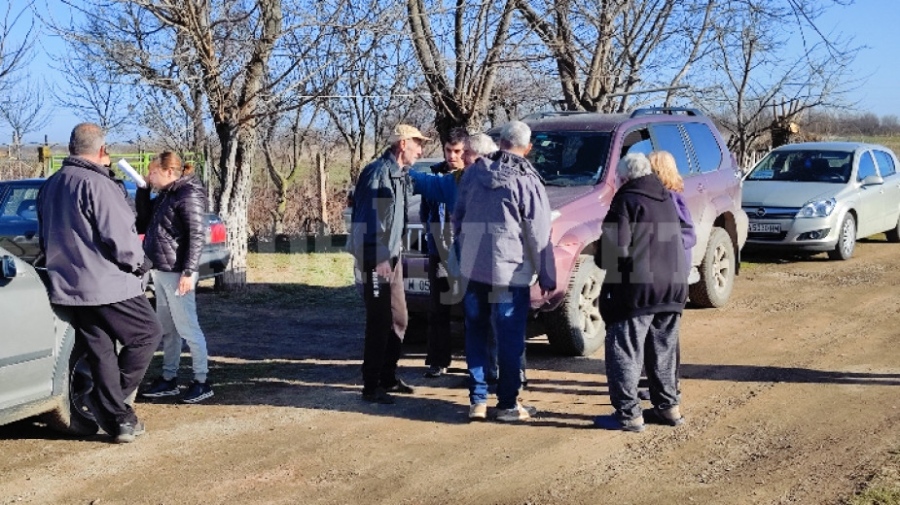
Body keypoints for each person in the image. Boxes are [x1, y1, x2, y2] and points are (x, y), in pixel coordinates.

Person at [36, 123, 162, 443]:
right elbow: (121, 237)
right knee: (147, 334)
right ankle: (108, 403)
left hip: (69, 284)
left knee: (102, 351)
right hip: (107, 283)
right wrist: (140, 263)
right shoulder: (97, 184)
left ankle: (119, 420)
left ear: (71, 147)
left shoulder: (51, 185)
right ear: (102, 151)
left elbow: (45, 236)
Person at [453, 120, 556, 422]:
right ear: (528, 147)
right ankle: (508, 404)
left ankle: (478, 400)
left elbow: (457, 218)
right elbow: (539, 233)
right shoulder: (527, 181)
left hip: (473, 268)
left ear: (500, 143)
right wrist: (546, 273)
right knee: (510, 337)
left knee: (476, 332)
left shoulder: (472, 172)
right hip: (510, 272)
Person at [593, 152, 689, 433]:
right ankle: (668, 408)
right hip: (673, 286)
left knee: (624, 349)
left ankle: (628, 415)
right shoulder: (666, 197)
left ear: (623, 177)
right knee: (663, 350)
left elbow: (614, 250)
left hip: (637, 289)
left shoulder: (626, 200)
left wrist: (600, 253)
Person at [348, 123, 430, 404]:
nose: (421, 150)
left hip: (390, 257)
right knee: (379, 321)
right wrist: (381, 257)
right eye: (418, 143)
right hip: (376, 258)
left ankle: (388, 377)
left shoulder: (399, 175)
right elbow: (373, 220)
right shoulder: (378, 174)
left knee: (399, 318)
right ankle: (371, 386)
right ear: (403, 144)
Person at [136, 152, 215, 404]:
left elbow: (197, 235)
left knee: (187, 328)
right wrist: (142, 191)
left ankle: (202, 381)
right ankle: (169, 378)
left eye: (153, 172)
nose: (151, 177)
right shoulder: (166, 194)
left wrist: (189, 272)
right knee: (167, 329)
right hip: (161, 269)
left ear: (169, 172)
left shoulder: (188, 194)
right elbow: (144, 223)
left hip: (178, 272)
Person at [636, 151, 696, 401]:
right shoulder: (672, 196)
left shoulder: (668, 198)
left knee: (662, 333)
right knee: (665, 332)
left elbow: (688, 234)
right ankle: (667, 383)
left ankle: (668, 385)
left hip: (668, 272)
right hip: (673, 272)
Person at [418, 127, 469, 379]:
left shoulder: (473, 176)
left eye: (457, 151)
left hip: (469, 252)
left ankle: (478, 363)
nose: (452, 156)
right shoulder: (435, 174)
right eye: (448, 150)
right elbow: (425, 212)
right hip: (439, 250)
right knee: (438, 308)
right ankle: (438, 360)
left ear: (466, 150)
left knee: (473, 308)